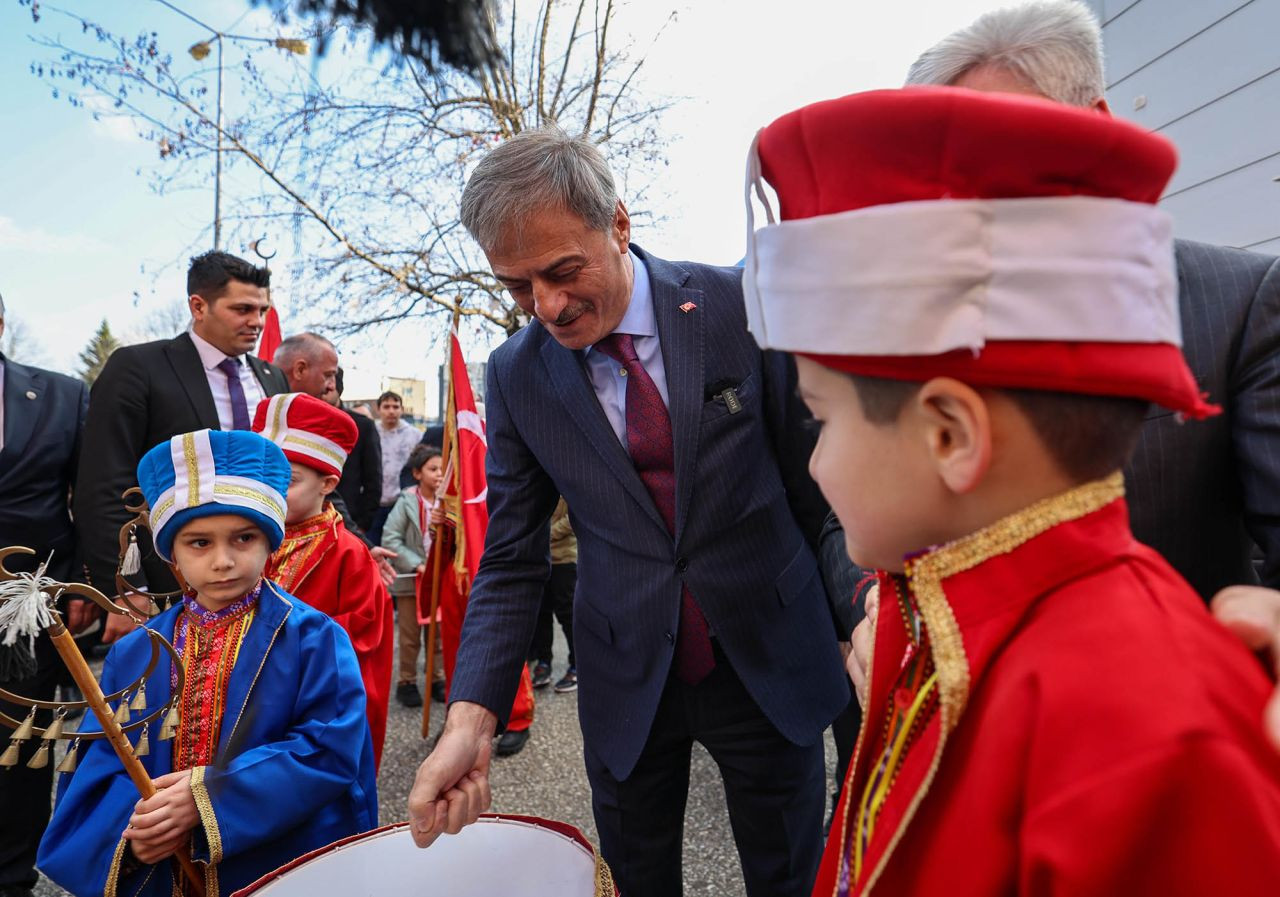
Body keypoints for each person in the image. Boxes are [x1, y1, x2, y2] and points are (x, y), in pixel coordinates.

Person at [749, 84, 1280, 897]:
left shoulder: (1145, 728)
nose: (814, 465)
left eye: (820, 417)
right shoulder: (933, 612)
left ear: (950, 436)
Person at [407, 126, 849, 897]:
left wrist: (863, 610)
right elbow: (512, 558)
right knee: (634, 878)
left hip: (768, 653)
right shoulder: (517, 374)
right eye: (517, 286)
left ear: (617, 223)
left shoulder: (738, 306)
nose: (545, 305)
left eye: (561, 271)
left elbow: (820, 492)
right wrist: (470, 719)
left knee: (788, 873)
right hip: (626, 676)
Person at [897, 0, 1280, 751]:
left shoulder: (1242, 305)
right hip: (970, 742)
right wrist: (871, 617)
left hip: (1169, 745)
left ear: (1097, 126)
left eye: (999, 149)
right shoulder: (916, 329)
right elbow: (842, 510)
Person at [38, 428, 378, 897]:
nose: (223, 561)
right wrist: (143, 830)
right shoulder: (136, 652)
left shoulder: (313, 638)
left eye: (243, 537)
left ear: (270, 542)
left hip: (272, 861)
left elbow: (330, 748)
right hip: (165, 869)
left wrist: (208, 798)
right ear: (171, 553)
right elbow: (104, 760)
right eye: (199, 543)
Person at [74, 251, 289, 641]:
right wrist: (127, 589)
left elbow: (293, 471)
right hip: (169, 584)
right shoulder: (138, 368)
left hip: (266, 583)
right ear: (198, 305)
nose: (256, 322)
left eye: (263, 310)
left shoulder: (273, 378)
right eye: (242, 309)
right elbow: (104, 486)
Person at [0, 291, 90, 897]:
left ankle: (10, 877)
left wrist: (85, 579)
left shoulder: (62, 394)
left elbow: (89, 492)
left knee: (20, 749)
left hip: (31, 602)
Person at [254, 392, 395, 769]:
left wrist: (278, 647)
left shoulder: (349, 552)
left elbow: (362, 635)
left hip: (314, 704)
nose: (270, 491)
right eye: (263, 478)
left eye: (289, 480)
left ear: (328, 483)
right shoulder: (246, 539)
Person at [382, 443, 447, 708]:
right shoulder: (407, 501)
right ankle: (406, 681)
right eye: (433, 469)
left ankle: (437, 678)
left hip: (440, 579)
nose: (439, 474)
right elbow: (391, 538)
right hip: (412, 581)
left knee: (438, 634)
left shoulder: (448, 501)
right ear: (417, 473)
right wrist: (417, 563)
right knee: (409, 636)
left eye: (443, 468)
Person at [527, 498, 578, 693]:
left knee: (568, 614)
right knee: (541, 613)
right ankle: (543, 662)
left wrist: (545, 533)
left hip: (564, 558)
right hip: (538, 557)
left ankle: (577, 665)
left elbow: (574, 517)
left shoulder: (567, 476)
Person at [332, 366, 383, 533]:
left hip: (349, 523)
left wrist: (362, 524)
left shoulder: (362, 426)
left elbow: (373, 480)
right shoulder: (299, 424)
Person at [368, 391, 422, 545]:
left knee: (397, 546)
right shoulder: (370, 432)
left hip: (402, 501)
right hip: (375, 502)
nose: (391, 411)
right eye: (386, 407)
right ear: (378, 410)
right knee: (372, 546)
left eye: (395, 406)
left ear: (402, 409)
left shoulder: (415, 435)